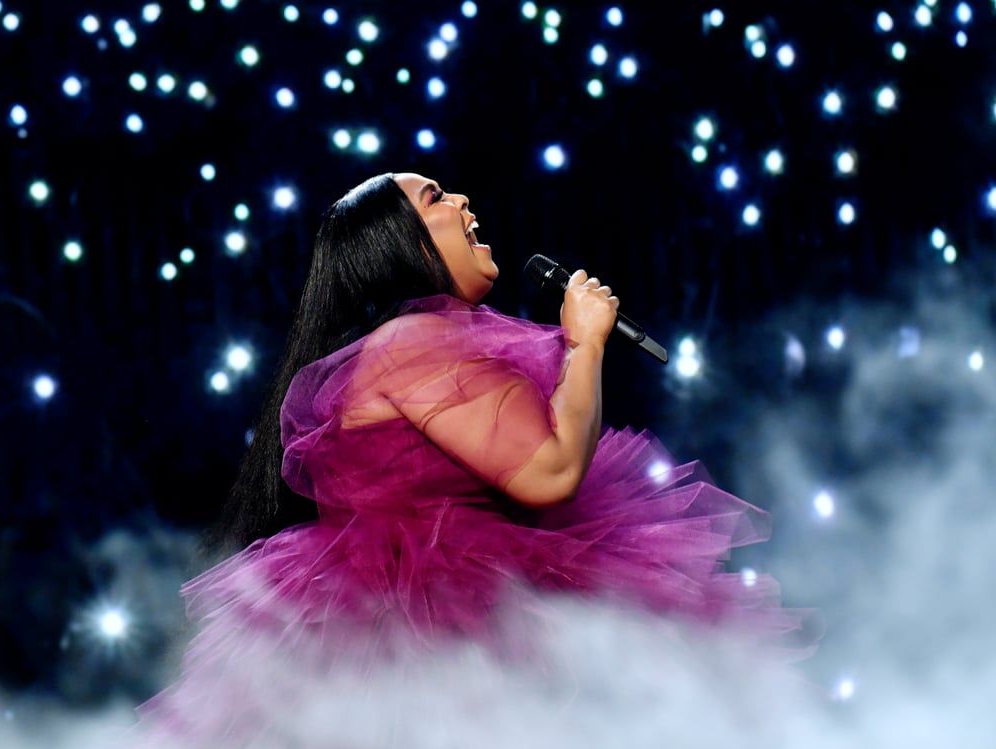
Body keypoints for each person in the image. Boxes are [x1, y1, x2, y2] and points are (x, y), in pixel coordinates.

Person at [129, 172, 819, 748]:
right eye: (435, 199)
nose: (462, 204)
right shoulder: (412, 344)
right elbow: (550, 468)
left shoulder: (436, 341)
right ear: (395, 247)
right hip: (426, 617)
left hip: (444, 613)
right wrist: (585, 344)